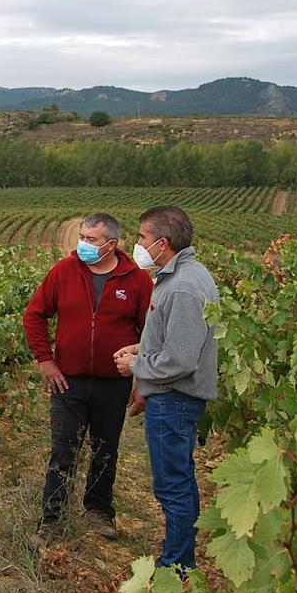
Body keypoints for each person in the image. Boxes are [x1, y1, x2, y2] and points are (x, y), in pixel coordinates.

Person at [23, 213, 153, 544]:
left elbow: (152, 335)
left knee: (105, 447)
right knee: (63, 447)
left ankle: (98, 510)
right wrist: (45, 361)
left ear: (111, 244)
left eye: (91, 240)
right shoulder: (63, 272)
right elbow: (34, 315)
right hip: (68, 381)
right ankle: (51, 518)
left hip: (114, 382)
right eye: (82, 237)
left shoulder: (137, 280)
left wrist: (143, 381)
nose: (83, 244)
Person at [113, 206, 218, 572]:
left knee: (173, 485)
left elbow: (181, 360)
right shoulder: (179, 276)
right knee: (179, 480)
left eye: (141, 237)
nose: (137, 244)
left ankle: (176, 566)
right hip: (174, 398)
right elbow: (178, 339)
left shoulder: (185, 286)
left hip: (174, 399)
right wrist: (142, 347)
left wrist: (136, 366)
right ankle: (180, 557)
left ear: (162, 243)